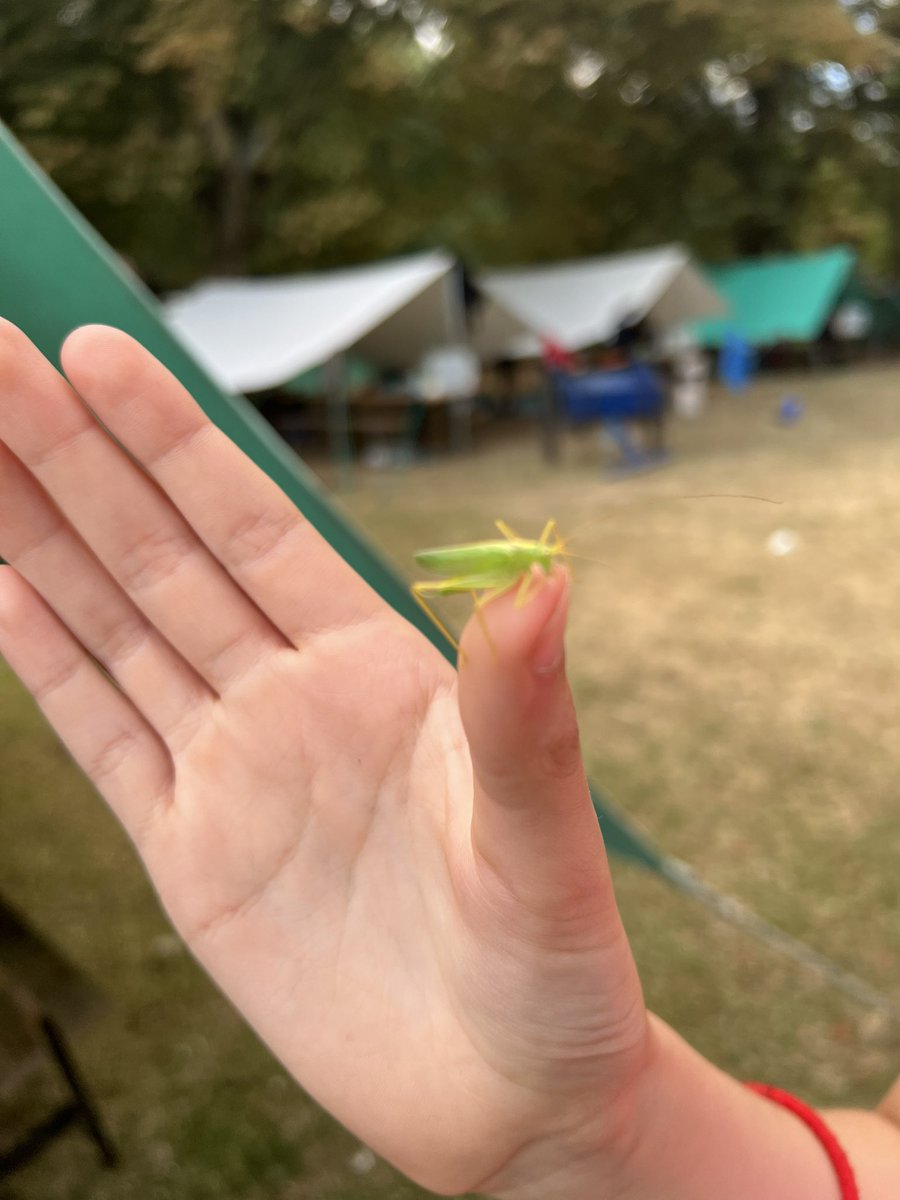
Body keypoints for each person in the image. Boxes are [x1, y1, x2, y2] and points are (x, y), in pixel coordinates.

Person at [0, 318, 898, 1199]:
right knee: (453, 588)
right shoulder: (522, 558)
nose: (552, 561)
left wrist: (581, 1136)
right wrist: (594, 1137)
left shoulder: (536, 565)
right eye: (550, 554)